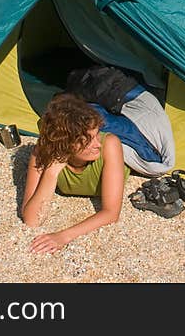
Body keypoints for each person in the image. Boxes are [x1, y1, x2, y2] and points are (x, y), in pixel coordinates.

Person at [21, 92, 128, 254]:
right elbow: (31, 220)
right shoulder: (43, 152)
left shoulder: (109, 145)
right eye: (88, 140)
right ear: (66, 143)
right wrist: (51, 173)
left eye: (97, 134)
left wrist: (63, 236)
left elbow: (111, 213)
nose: (97, 144)